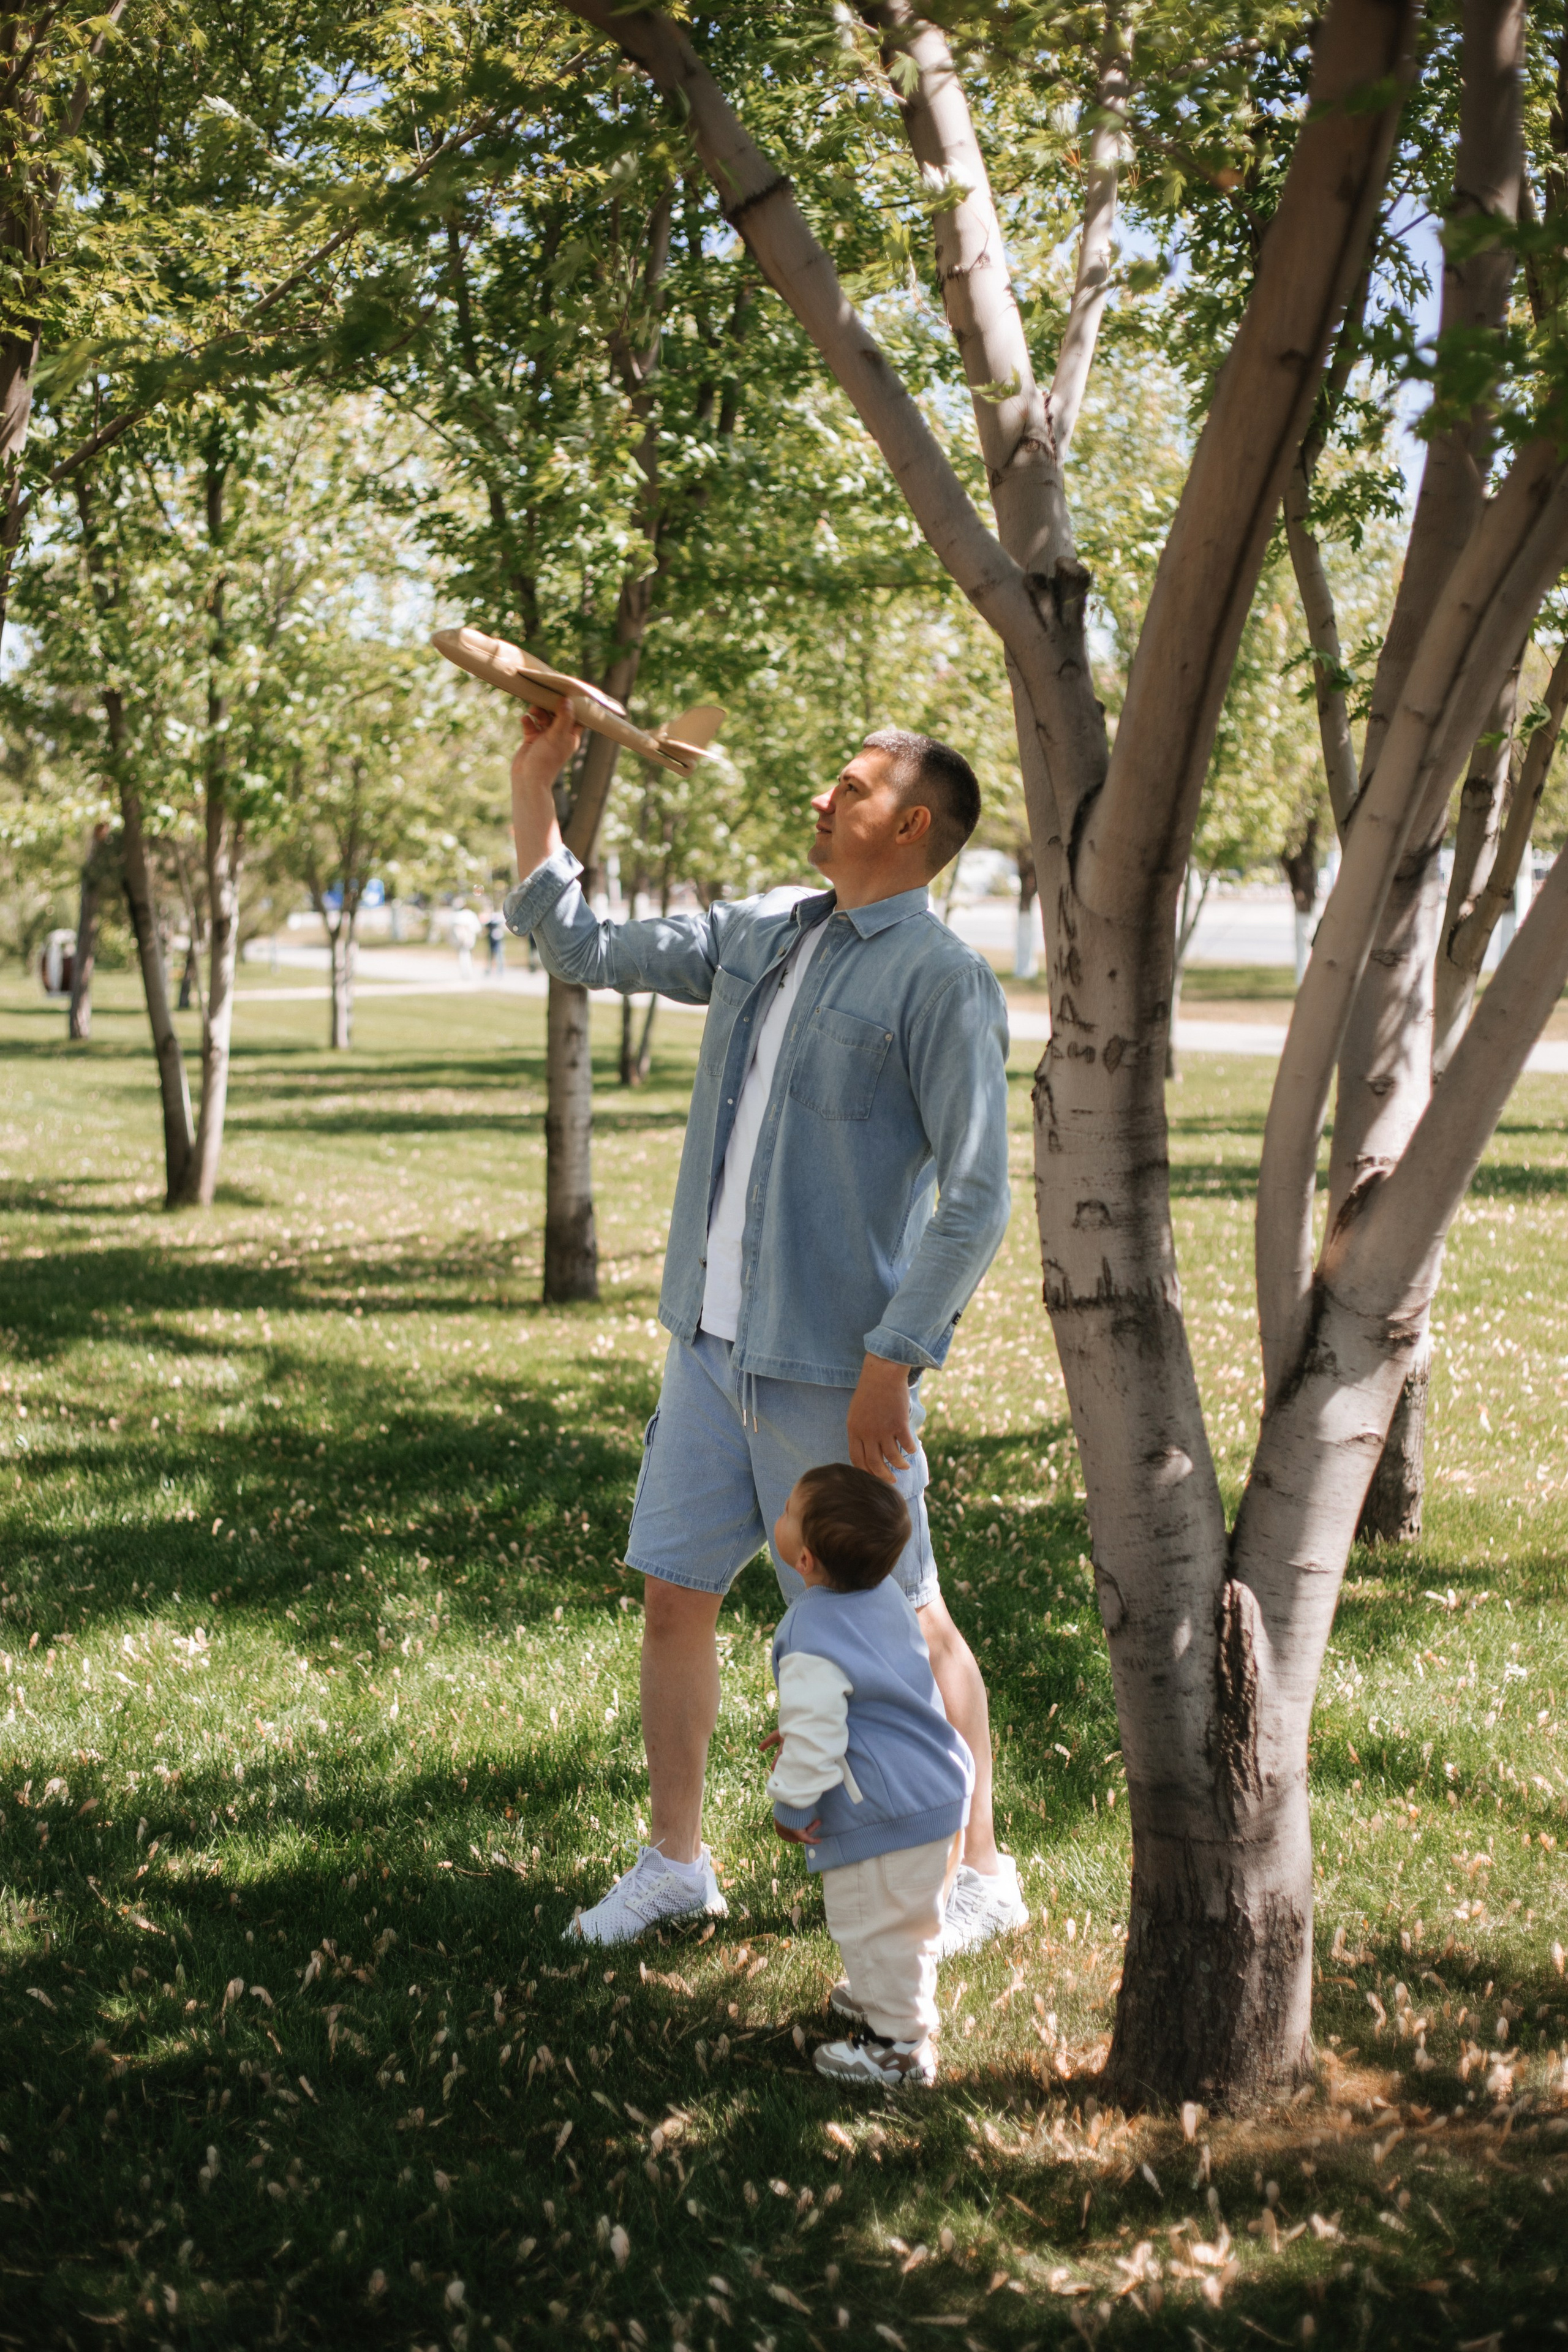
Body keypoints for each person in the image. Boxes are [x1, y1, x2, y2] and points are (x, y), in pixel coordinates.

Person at [505, 700, 1026, 1956]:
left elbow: (977, 1195)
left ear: (907, 825)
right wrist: (537, 777)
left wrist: (889, 1364)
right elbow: (577, 945)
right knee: (674, 1597)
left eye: (846, 787)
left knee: (901, 1619)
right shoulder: (762, 936)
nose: (819, 798)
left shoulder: (941, 982)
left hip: (830, 1365)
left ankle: (980, 1874)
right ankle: (676, 1865)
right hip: (707, 1347)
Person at [762, 1463, 973, 2088]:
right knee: (911, 1913)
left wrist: (792, 1808)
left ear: (803, 1560)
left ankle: (897, 2047)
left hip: (883, 1810)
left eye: (789, 1509)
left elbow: (817, 1736)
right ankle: (887, 1989)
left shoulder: (807, 1631)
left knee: (872, 1918)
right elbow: (873, 1688)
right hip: (936, 1785)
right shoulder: (886, 1598)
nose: (782, 1509)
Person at [451, 903, 480, 982]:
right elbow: (477, 928)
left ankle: (465, 972)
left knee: (463, 954)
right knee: (467, 954)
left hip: (462, 938)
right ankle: (468, 972)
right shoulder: (471, 915)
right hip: (468, 937)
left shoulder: (458, 915)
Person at [483, 906, 507, 979]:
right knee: (494, 955)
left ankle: (499, 970)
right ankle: (492, 969)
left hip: (497, 940)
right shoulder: (494, 920)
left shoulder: (496, 920)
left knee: (498, 955)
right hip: (493, 940)